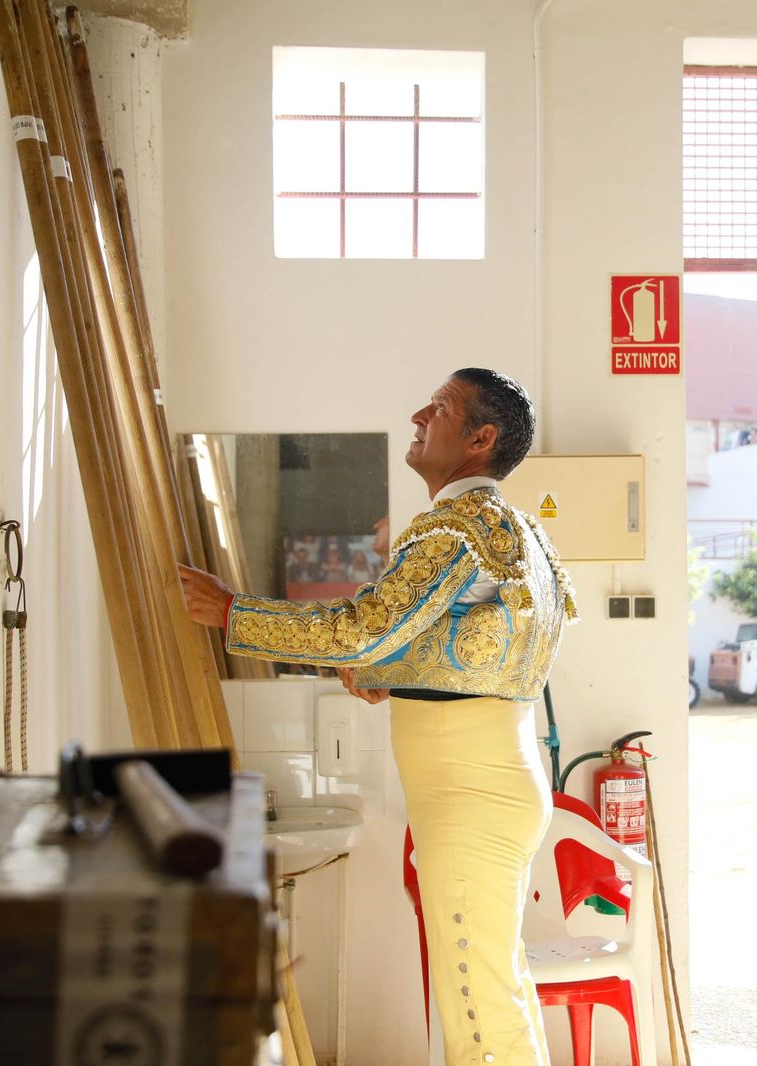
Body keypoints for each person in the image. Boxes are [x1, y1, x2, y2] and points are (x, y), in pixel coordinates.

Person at [180, 368, 576, 1066]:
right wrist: (387, 675)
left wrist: (233, 612)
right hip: (496, 778)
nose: (421, 414)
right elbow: (486, 650)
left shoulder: (456, 529)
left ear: (480, 439)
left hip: (469, 792)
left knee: (479, 1002)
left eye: (443, 408)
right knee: (491, 984)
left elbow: (363, 628)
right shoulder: (516, 530)